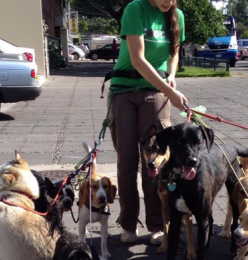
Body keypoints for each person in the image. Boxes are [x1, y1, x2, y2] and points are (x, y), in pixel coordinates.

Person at [108, 0, 187, 245]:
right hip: (124, 92)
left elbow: (174, 52)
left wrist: (171, 76)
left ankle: (157, 224)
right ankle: (128, 223)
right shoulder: (136, 9)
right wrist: (172, 93)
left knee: (154, 162)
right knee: (128, 161)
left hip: (155, 92)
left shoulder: (177, 16)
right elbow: (138, 60)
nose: (169, 2)